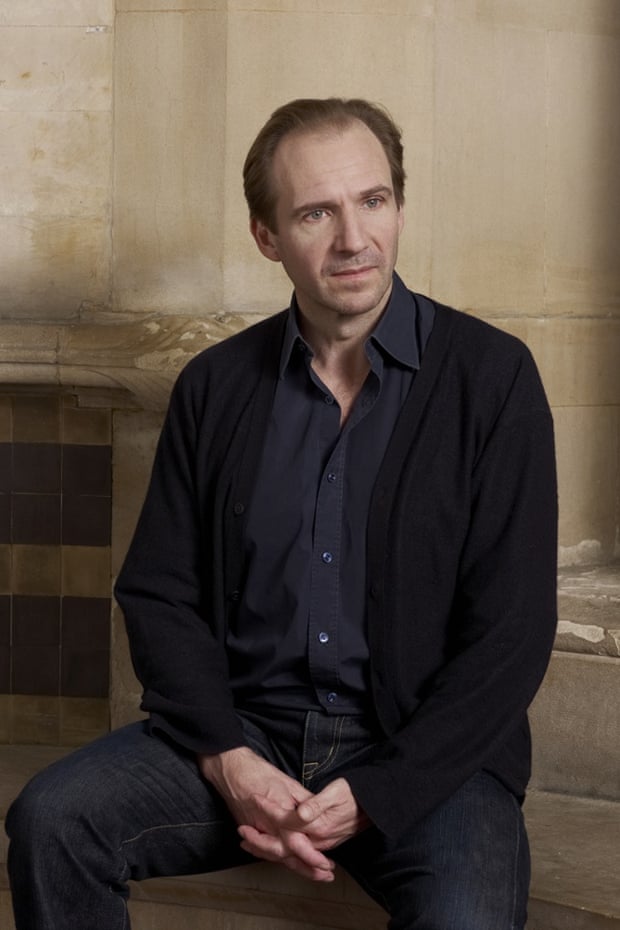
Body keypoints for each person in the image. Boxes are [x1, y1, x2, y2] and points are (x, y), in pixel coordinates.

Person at [6, 97, 558, 930]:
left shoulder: (494, 380)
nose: (353, 239)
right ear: (268, 237)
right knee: (52, 821)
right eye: (316, 212)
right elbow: (160, 594)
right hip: (247, 735)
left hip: (429, 757)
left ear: (399, 206)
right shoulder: (216, 386)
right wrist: (229, 762)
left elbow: (511, 634)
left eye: (373, 201)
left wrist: (377, 793)